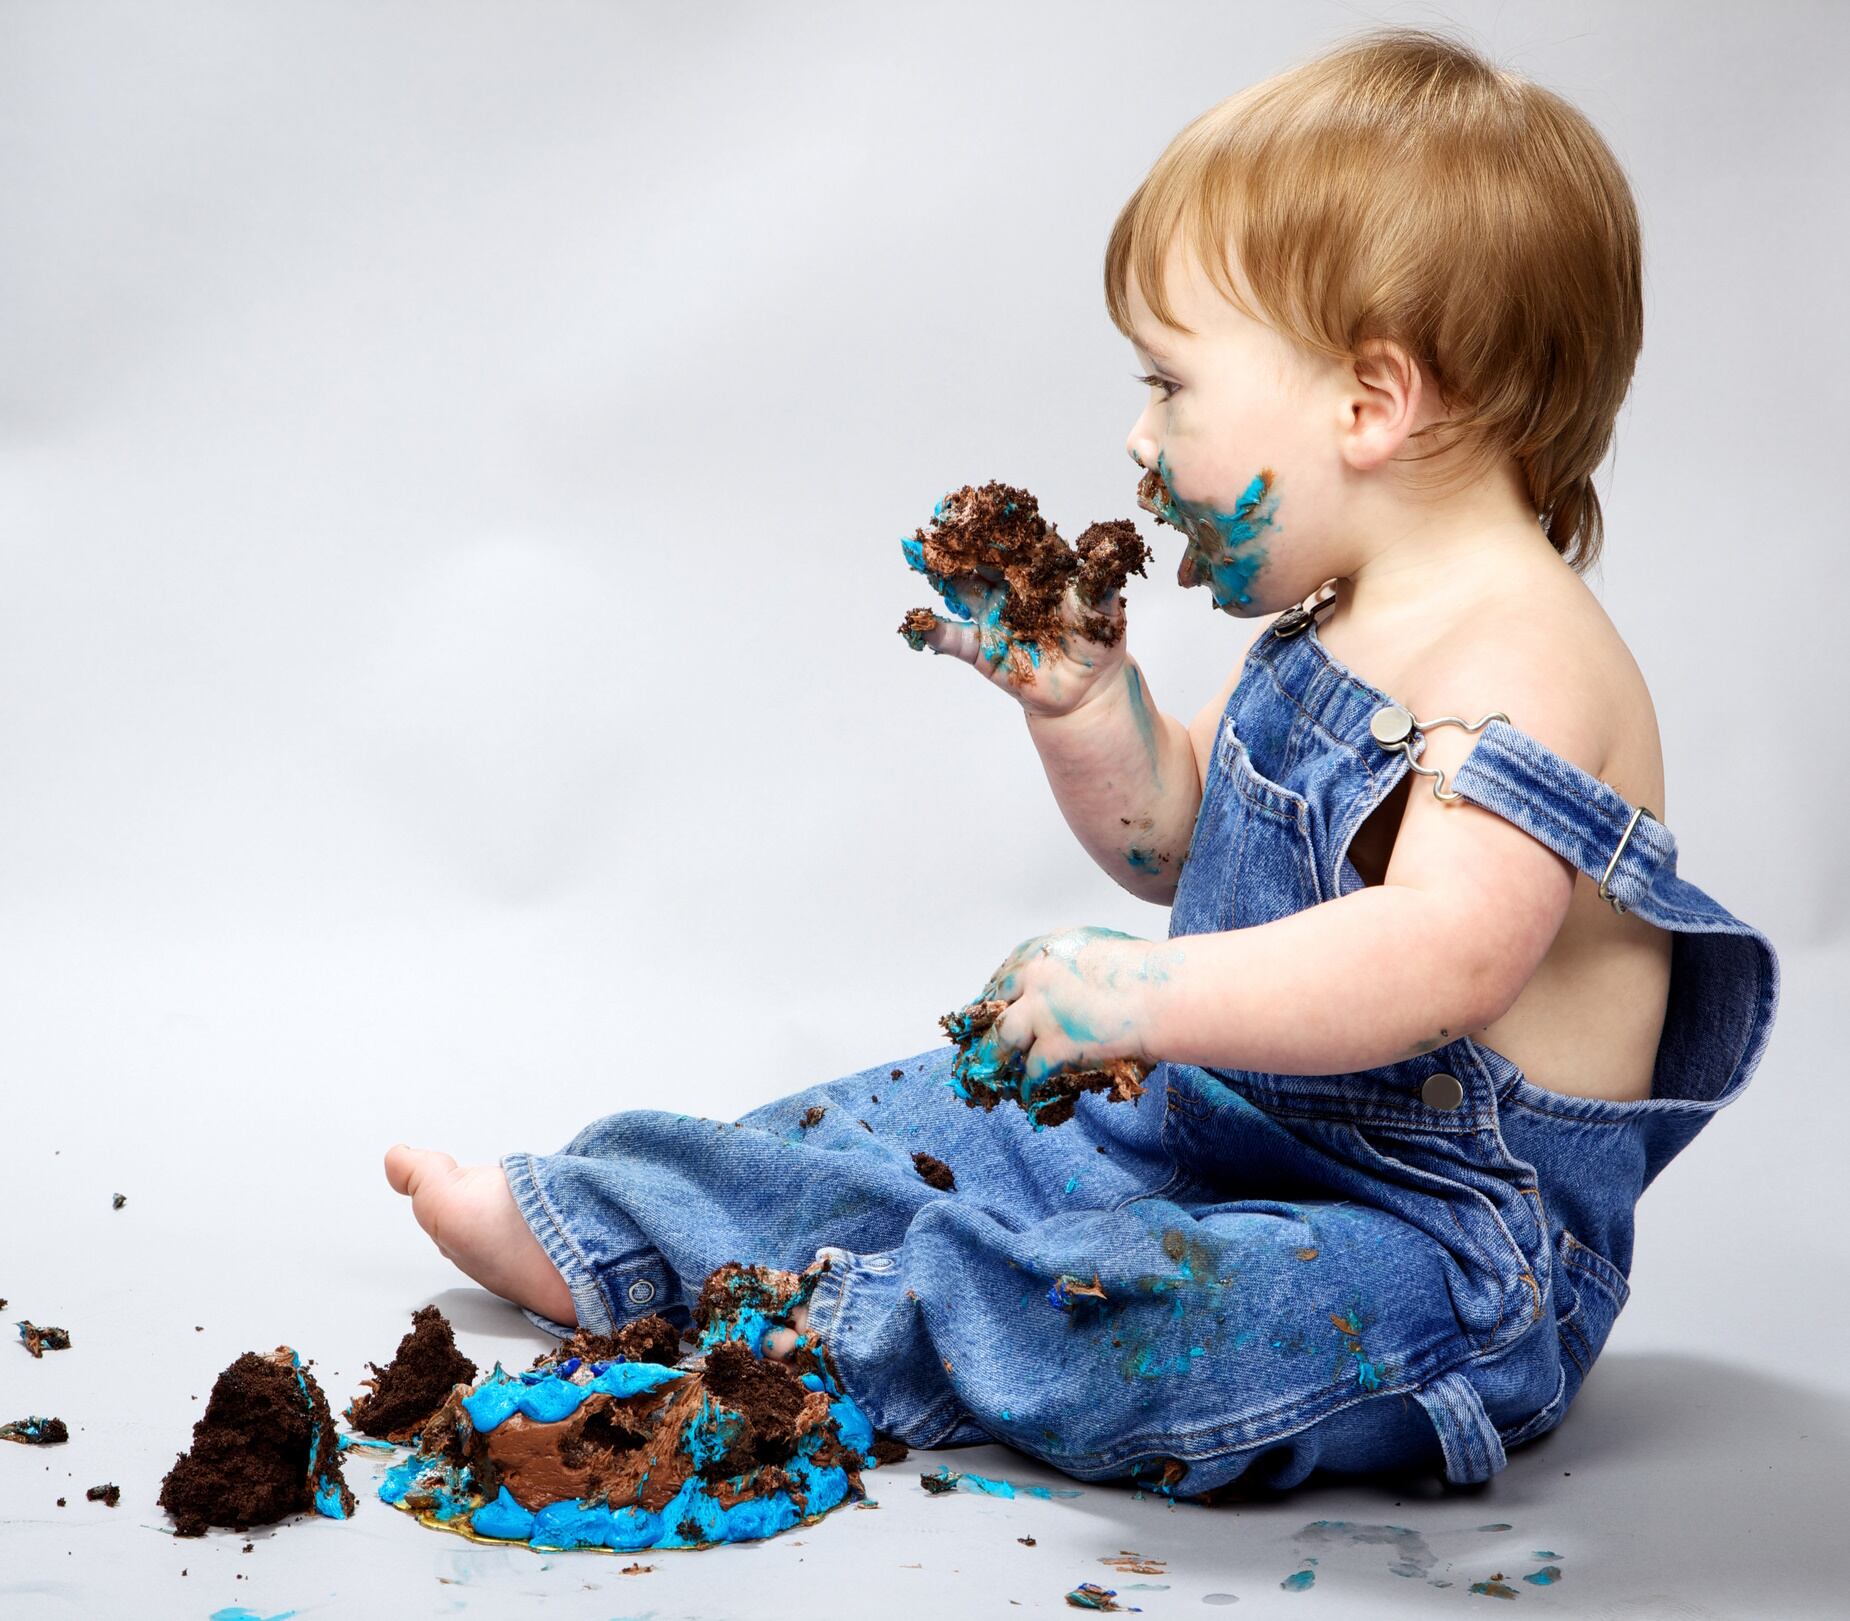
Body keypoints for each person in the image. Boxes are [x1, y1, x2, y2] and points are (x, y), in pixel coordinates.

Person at [384, 27, 1779, 1497]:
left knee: (1145, 1312)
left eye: (1169, 384)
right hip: (1210, 1122)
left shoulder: (1527, 660)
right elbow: (1172, 843)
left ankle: (839, 1330)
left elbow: (1445, 953)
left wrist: (1142, 994)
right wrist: (1089, 709)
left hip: (1437, 1247)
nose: (1138, 431)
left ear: (1369, 403)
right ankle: (616, 1223)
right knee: (901, 1116)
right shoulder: (1334, 624)